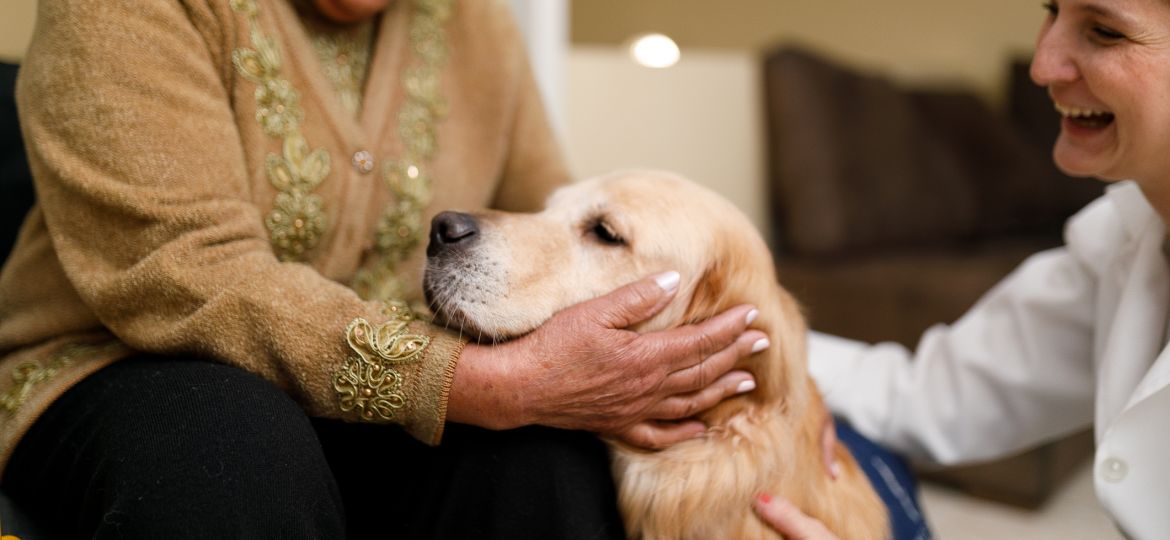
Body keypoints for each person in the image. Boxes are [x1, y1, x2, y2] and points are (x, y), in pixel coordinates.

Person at [0, 0, 766, 537]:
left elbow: (552, 238)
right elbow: (179, 269)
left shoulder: (477, 23)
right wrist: (492, 386)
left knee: (545, 467)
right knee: (232, 446)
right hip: (114, 365)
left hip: (401, 399)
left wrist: (783, 395)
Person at [754, 0, 1170, 538]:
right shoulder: (1121, 241)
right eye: (1051, 10)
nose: (1043, 65)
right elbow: (926, 398)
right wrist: (736, 337)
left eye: (1105, 31)